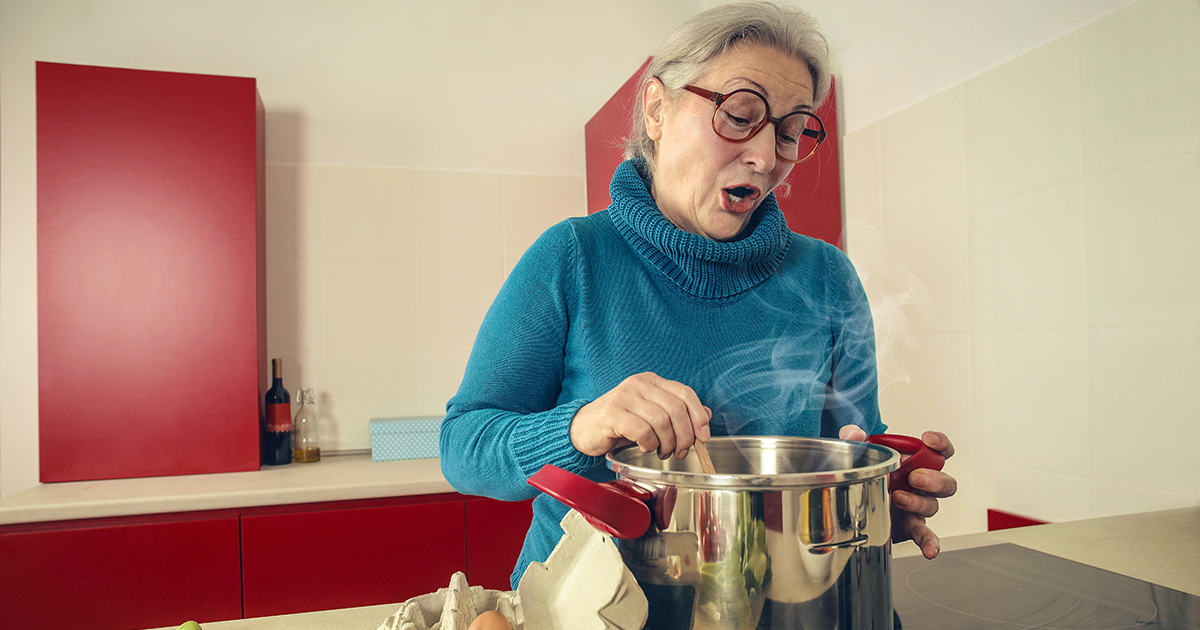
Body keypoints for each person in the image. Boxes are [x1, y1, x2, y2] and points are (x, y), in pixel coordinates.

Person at [440, 1, 957, 589]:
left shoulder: (826, 277)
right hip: (589, 607)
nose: (766, 159)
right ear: (657, 109)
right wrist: (582, 426)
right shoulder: (573, 257)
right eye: (740, 115)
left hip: (778, 604)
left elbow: (850, 455)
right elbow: (463, 448)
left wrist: (880, 502)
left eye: (789, 132)